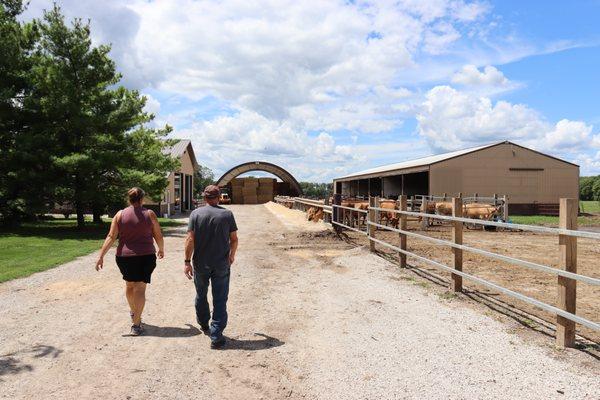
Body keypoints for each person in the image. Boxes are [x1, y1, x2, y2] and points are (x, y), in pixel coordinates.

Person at [95, 187, 165, 336]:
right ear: (142, 199)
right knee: (140, 288)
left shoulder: (119, 215)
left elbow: (111, 236)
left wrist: (101, 255)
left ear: (129, 199)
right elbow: (158, 234)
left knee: (129, 285)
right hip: (146, 256)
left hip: (124, 257)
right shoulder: (150, 214)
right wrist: (161, 248)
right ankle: (136, 324)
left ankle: (134, 313)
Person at [184, 185, 238, 349]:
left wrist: (187, 261)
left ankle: (203, 322)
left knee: (201, 293)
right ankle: (216, 335)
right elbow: (234, 239)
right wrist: (231, 255)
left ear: (204, 197)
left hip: (201, 263)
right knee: (220, 298)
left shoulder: (195, 214)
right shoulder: (227, 214)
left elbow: (190, 240)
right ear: (219, 197)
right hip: (221, 263)